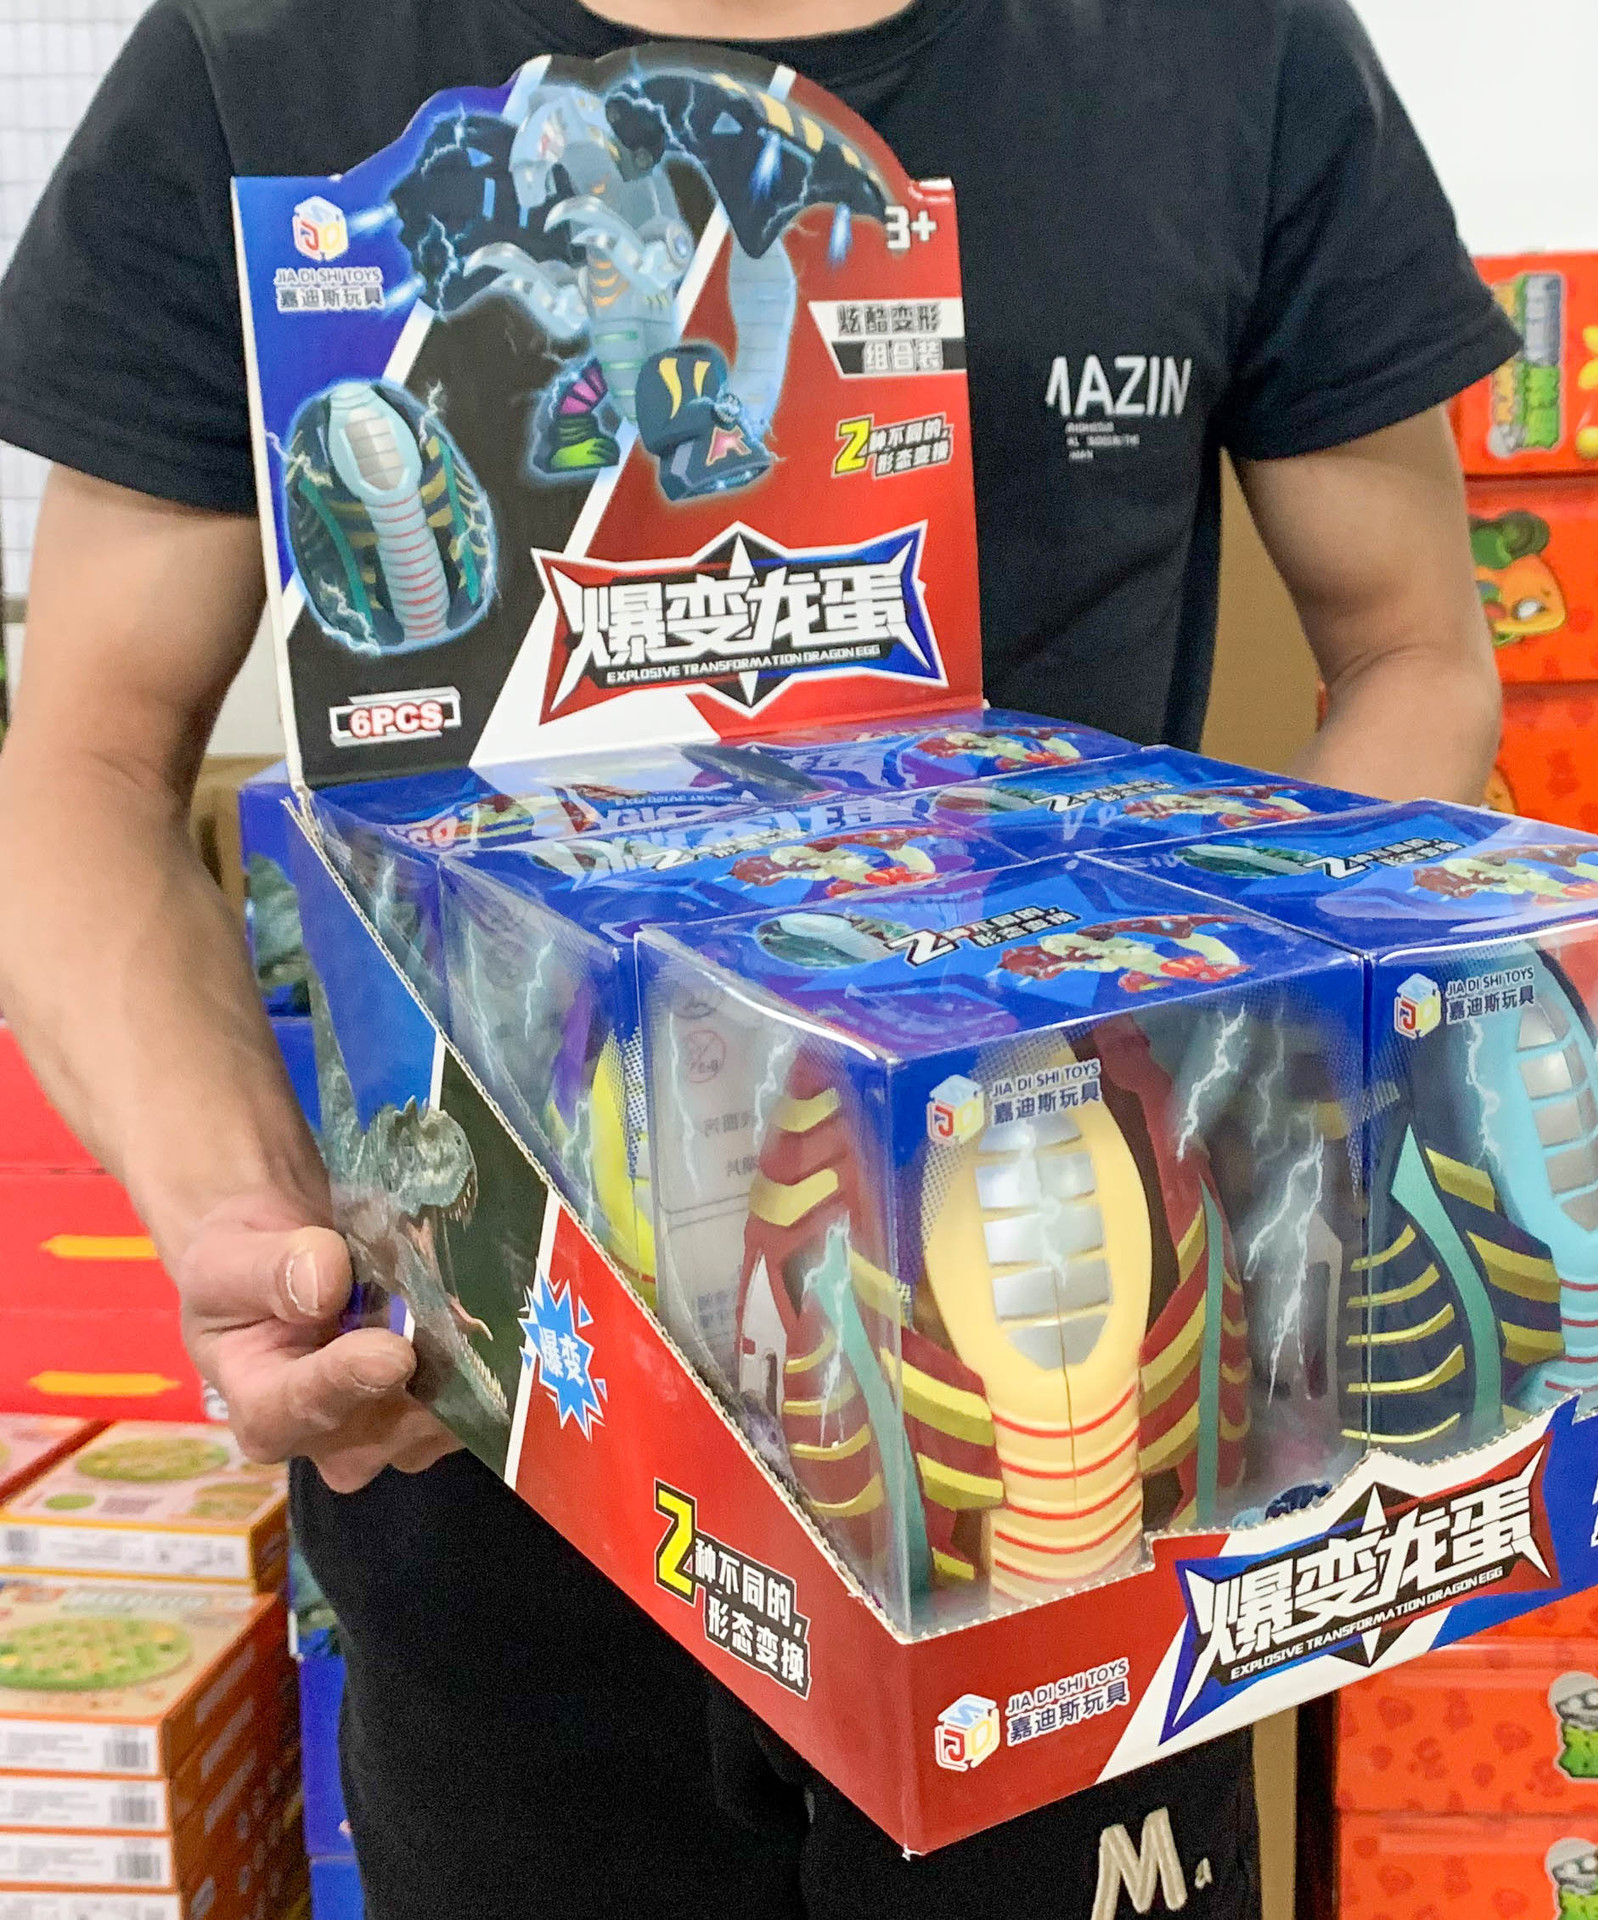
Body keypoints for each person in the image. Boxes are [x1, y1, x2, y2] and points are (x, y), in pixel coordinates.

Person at [0, 1, 1508, 1914]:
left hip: (1075, 1462)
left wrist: (1256, 1077)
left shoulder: (1229, 47)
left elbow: (1415, 650)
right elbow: (85, 767)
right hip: (501, 1470)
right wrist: (244, 1212)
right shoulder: (263, 50)